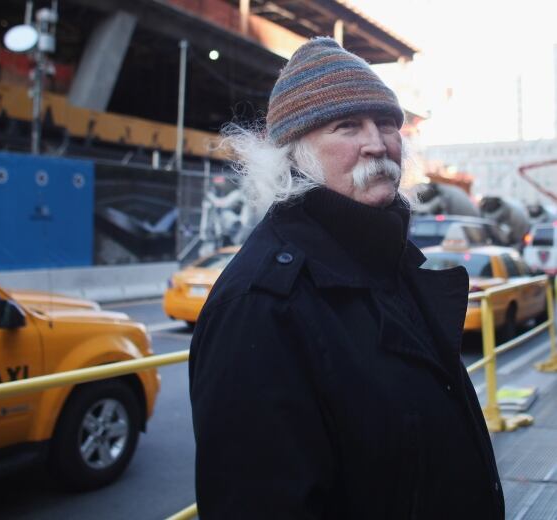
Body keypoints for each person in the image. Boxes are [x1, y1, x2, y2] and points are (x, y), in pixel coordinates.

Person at [188, 37, 504, 519]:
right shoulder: (260, 305)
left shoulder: (387, 263)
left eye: (386, 124)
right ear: (294, 156)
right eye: (347, 127)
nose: (377, 144)